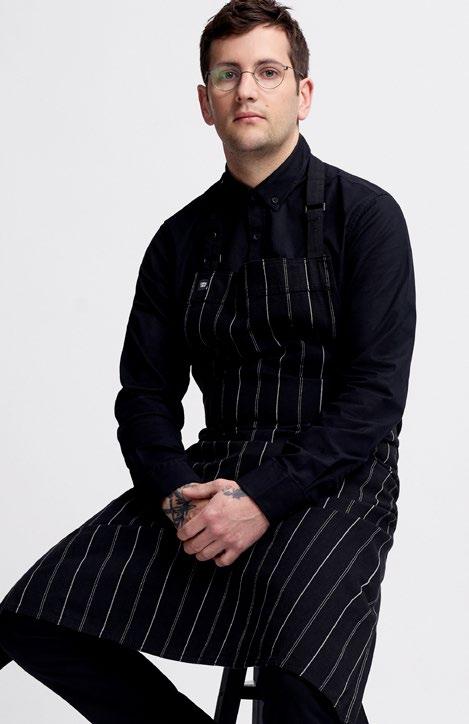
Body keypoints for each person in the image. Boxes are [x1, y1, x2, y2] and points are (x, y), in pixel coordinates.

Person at [0, 1, 416, 722]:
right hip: (211, 475)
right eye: (228, 75)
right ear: (205, 102)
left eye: (267, 72)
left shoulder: (367, 216)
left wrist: (260, 500)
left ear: (303, 94)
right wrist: (178, 498)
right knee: (34, 617)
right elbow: (144, 398)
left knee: (296, 684)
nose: (246, 89)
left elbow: (375, 398)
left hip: (336, 483)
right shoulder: (178, 240)